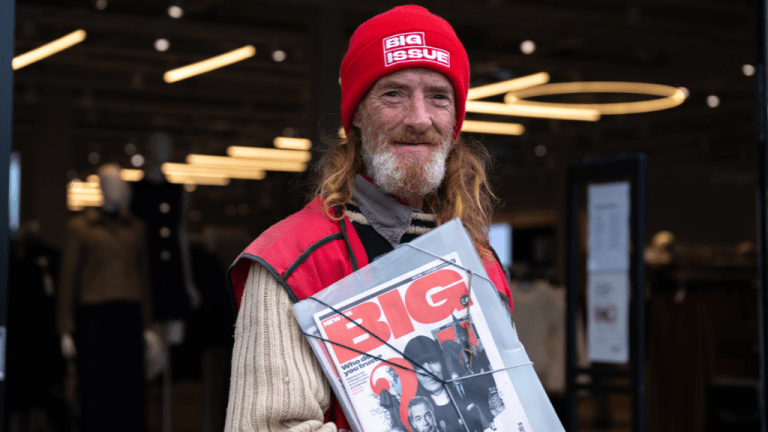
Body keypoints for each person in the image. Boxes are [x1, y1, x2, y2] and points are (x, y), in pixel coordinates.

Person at [224, 5, 513, 431]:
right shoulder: (291, 261)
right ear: (357, 113)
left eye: (438, 96)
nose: (419, 119)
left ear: (454, 120)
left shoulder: (480, 262)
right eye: (393, 94)